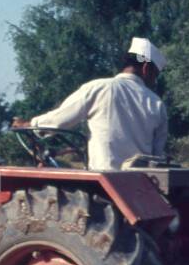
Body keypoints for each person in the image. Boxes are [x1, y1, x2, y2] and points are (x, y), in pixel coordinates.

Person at [13, 37, 168, 171]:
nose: (154, 81)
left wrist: (30, 125)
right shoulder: (157, 103)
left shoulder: (100, 87)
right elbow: (157, 153)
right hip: (141, 181)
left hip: (105, 178)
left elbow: (59, 119)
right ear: (147, 69)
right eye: (155, 76)